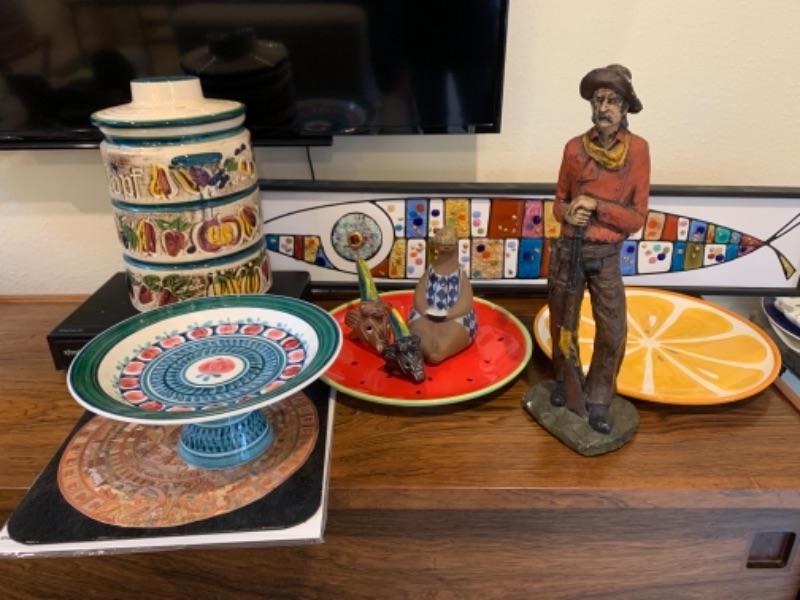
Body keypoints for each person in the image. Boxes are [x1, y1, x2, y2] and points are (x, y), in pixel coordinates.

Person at [549, 64, 650, 434]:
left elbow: (636, 217)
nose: (603, 107)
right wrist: (568, 211)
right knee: (564, 322)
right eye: (598, 100)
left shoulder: (637, 150)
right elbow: (558, 203)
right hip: (569, 250)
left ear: (624, 107)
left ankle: (599, 396)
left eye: (612, 100)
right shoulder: (574, 148)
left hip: (605, 257)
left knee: (612, 330)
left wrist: (596, 206)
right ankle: (566, 382)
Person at [409, 226, 477, 363]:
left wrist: (449, 314)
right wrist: (424, 310)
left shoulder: (460, 275)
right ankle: (427, 347)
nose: (445, 248)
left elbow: (465, 302)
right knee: (426, 343)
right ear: (436, 246)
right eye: (442, 245)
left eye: (449, 245)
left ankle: (440, 350)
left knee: (439, 350)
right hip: (425, 315)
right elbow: (420, 295)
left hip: (455, 317)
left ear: (456, 246)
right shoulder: (430, 272)